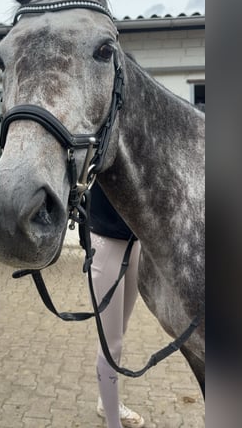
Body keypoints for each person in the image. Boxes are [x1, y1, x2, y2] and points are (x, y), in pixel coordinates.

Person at [89, 181, 145, 428]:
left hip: (133, 241)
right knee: (112, 343)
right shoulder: (105, 142)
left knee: (119, 330)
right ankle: (113, 423)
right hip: (104, 242)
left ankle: (105, 402)